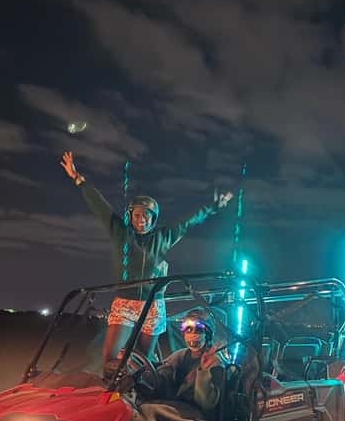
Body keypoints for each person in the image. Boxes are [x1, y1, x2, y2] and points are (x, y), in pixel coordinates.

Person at [61, 151, 233, 363]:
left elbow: (188, 221)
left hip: (153, 304)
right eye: (137, 215)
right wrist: (79, 179)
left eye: (146, 216)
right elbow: (100, 207)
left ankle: (141, 391)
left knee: (144, 358)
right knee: (110, 357)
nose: (141, 220)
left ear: (153, 218)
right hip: (125, 303)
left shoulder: (163, 236)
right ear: (131, 216)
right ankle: (112, 392)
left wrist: (213, 207)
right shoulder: (121, 232)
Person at [140, 312, 227, 421]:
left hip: (200, 415)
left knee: (148, 411)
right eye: (189, 329)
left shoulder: (215, 363)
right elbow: (163, 375)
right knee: (139, 407)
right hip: (180, 405)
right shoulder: (180, 356)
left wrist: (203, 372)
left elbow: (207, 404)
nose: (193, 334)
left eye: (198, 330)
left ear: (208, 334)